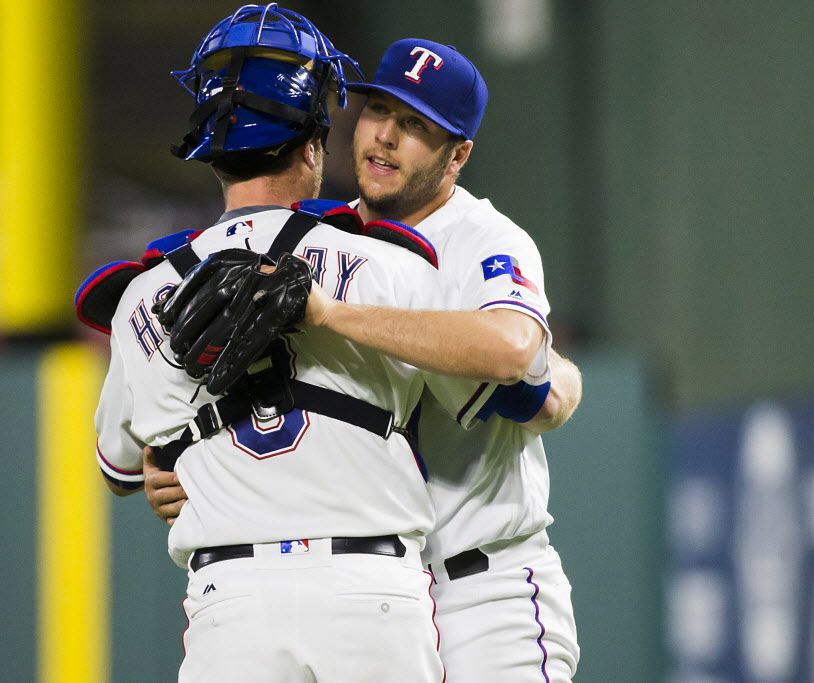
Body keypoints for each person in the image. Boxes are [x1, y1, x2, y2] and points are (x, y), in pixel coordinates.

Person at [87, 7, 507, 682]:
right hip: (371, 596)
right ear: (314, 144)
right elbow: (506, 378)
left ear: (211, 147)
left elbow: (119, 468)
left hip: (233, 606)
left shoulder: (142, 296)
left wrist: (180, 457)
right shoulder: (390, 266)